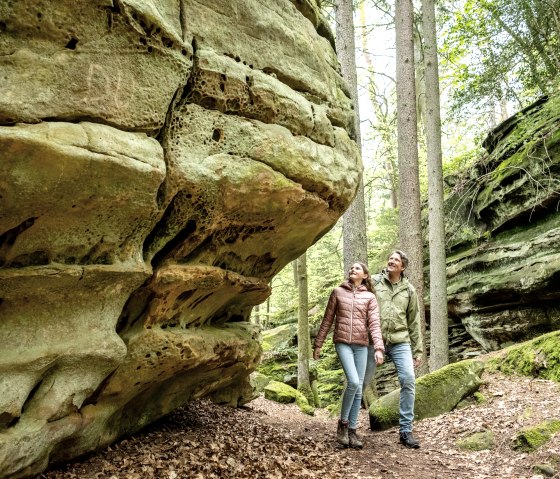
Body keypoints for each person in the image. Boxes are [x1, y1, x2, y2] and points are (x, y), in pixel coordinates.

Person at [313, 262, 385, 449]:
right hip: (342, 342)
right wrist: (318, 344)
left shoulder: (370, 297)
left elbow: (374, 324)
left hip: (362, 345)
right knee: (353, 382)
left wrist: (378, 348)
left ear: (366, 276)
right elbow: (327, 319)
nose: (353, 270)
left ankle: (353, 431)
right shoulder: (338, 292)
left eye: (357, 269)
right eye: (351, 268)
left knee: (359, 387)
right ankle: (342, 424)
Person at [363, 250, 423, 449]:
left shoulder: (409, 290)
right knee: (361, 381)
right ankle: (349, 427)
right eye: (390, 258)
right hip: (374, 340)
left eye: (396, 260)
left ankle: (405, 431)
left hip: (400, 341)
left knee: (408, 380)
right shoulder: (373, 282)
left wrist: (418, 351)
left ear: (402, 267)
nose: (391, 261)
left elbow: (414, 322)